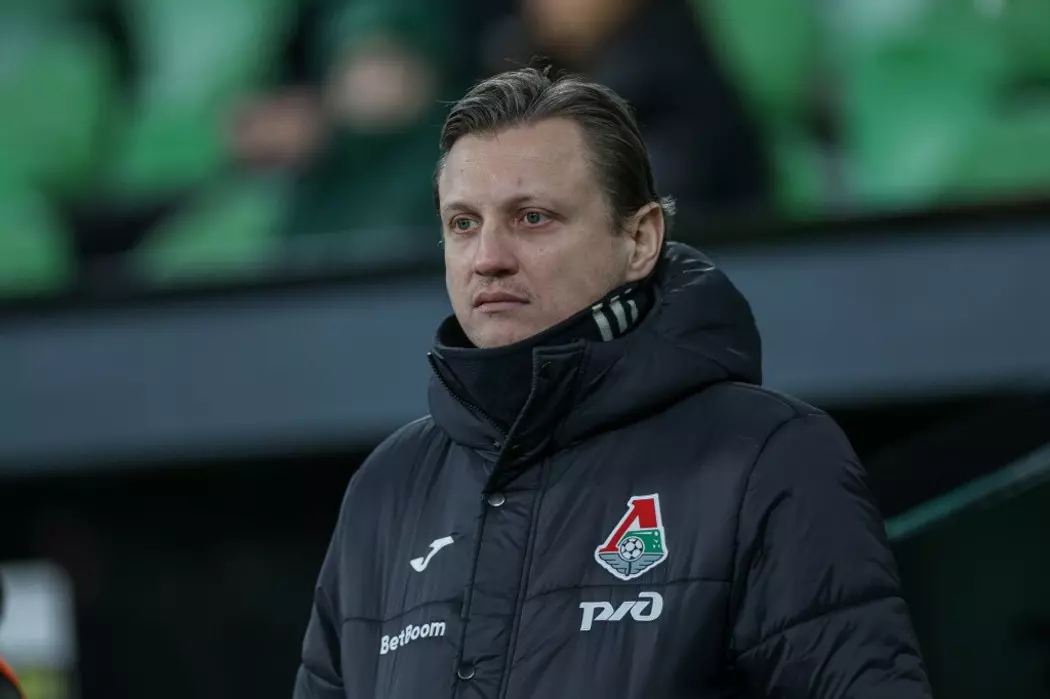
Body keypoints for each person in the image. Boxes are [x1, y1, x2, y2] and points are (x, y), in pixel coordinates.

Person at [293, 67, 933, 698]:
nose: (488, 258)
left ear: (640, 239)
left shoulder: (771, 457)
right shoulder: (388, 489)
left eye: (533, 217)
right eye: (464, 223)